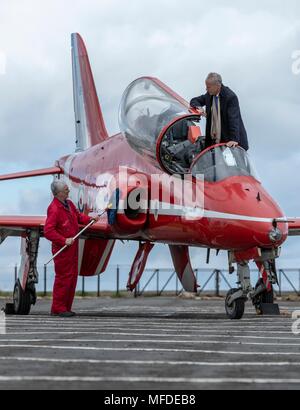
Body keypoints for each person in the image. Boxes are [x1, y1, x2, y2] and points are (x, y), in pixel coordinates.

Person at [44, 181, 99, 318]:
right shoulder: (54, 208)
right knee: (63, 278)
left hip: (72, 247)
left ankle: (66, 307)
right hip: (62, 249)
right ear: (58, 193)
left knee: (72, 277)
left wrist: (90, 219)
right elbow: (48, 231)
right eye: (66, 189)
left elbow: (79, 217)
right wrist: (63, 240)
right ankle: (58, 308)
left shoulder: (69, 204)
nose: (68, 191)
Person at [190, 73, 249, 151]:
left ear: (217, 86)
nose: (206, 89)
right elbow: (194, 100)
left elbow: (234, 120)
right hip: (215, 142)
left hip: (232, 142)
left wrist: (233, 139)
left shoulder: (230, 97)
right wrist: (199, 107)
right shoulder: (209, 95)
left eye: (208, 87)